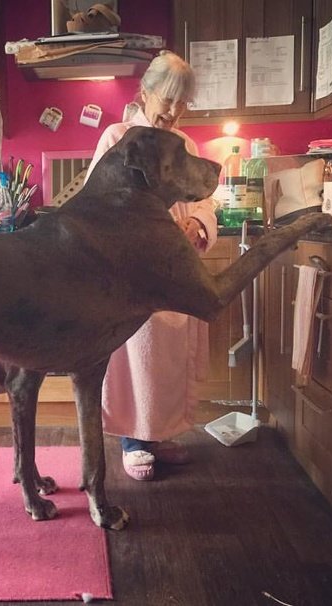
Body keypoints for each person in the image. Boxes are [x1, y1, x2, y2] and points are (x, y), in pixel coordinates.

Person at [84, 50, 219, 481]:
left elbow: (205, 199)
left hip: (176, 266)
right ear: (145, 92)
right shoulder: (118, 136)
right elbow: (98, 199)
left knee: (170, 356)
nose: (174, 110)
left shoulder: (186, 145)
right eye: (167, 98)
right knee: (137, 354)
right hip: (134, 270)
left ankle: (159, 434)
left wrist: (197, 223)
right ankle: (133, 439)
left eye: (183, 102)